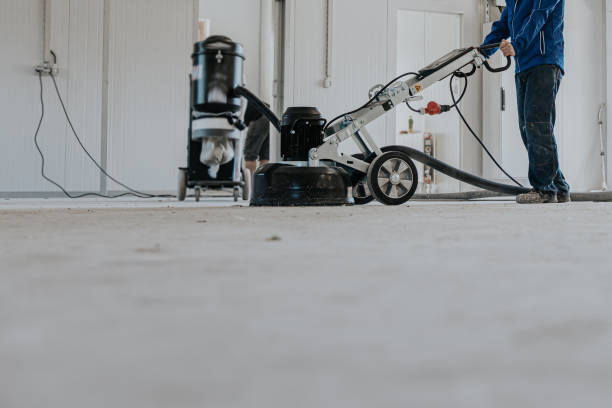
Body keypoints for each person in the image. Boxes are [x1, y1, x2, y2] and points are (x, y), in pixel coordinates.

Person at [481, 0, 570, 204]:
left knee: (537, 126)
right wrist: (482, 51)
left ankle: (545, 190)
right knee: (527, 128)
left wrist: (517, 45)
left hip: (545, 62)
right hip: (523, 67)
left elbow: (537, 17)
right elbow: (503, 25)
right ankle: (558, 187)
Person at [243, 102, 270, 176]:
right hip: (269, 114)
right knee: (264, 156)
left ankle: (251, 185)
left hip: (258, 115)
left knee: (250, 156)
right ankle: (262, 184)